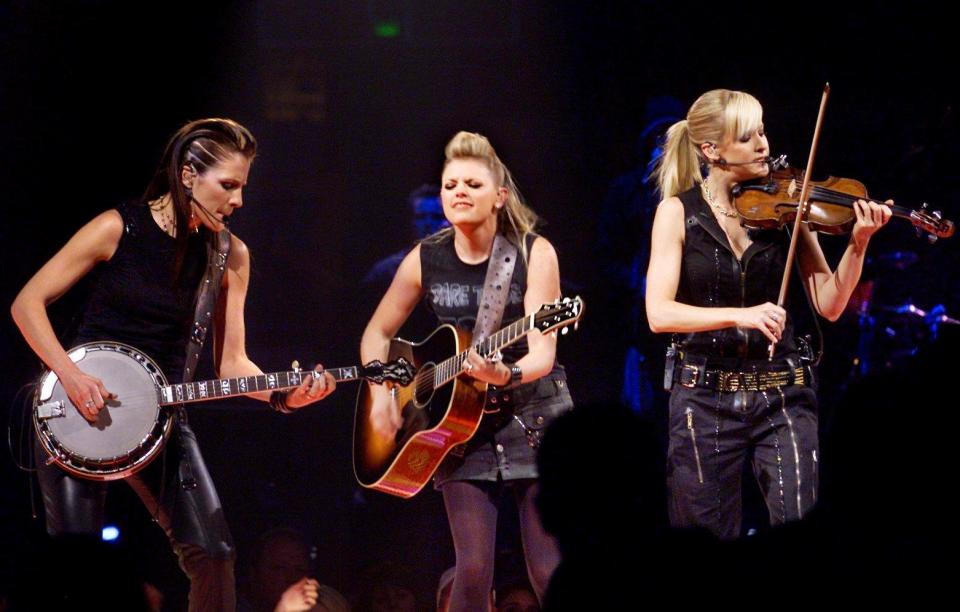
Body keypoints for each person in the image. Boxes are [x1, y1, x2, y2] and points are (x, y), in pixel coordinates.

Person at [10, 118, 337, 610]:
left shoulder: (231, 256)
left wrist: (283, 395)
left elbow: (232, 366)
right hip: (76, 413)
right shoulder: (118, 227)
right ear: (187, 175)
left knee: (214, 552)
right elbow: (27, 303)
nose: (238, 201)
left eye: (242, 187)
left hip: (164, 414)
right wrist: (71, 377)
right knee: (78, 570)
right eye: (227, 185)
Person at [645, 89, 892, 539]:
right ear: (711, 151)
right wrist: (741, 315)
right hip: (703, 400)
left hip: (784, 395)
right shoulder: (677, 212)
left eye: (762, 131)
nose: (763, 144)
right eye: (747, 136)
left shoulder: (787, 209)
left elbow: (830, 304)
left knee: (801, 535)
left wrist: (859, 243)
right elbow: (659, 314)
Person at [360, 131, 572, 611]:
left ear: (499, 195)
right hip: (459, 425)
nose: (459, 192)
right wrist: (380, 397)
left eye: (473, 184)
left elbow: (543, 353)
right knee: (472, 569)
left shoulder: (534, 253)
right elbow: (376, 333)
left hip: (534, 417)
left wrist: (508, 376)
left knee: (547, 568)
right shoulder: (426, 257)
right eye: (450, 183)